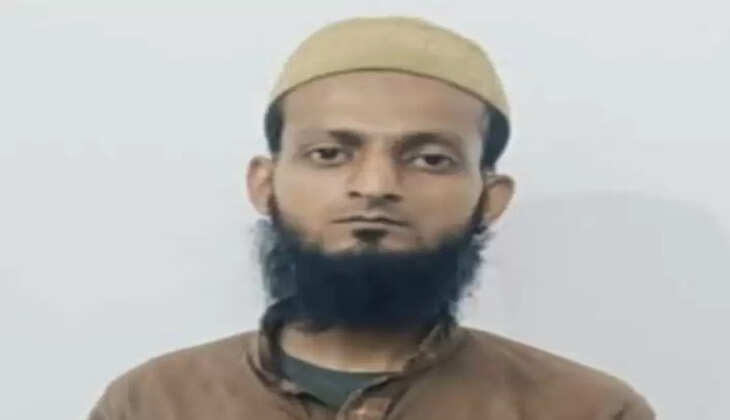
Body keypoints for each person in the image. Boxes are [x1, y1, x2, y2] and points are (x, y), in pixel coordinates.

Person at [88, 16, 655, 420]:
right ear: (264, 184)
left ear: (490, 198)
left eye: (429, 159)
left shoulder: (588, 410)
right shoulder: (153, 403)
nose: (376, 186)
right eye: (330, 154)